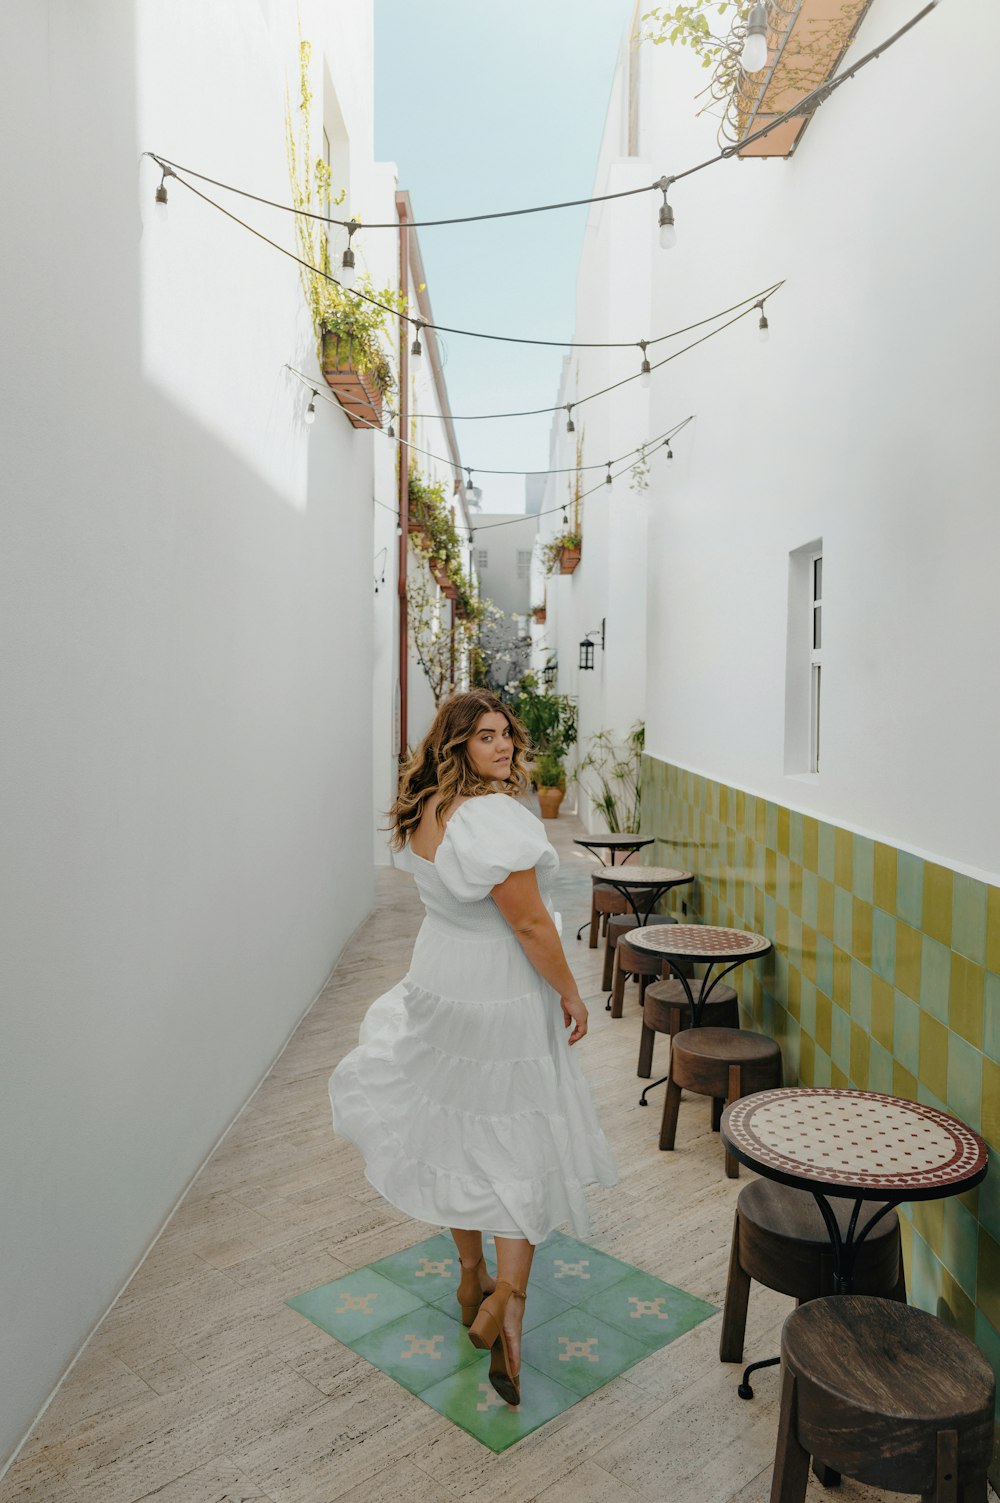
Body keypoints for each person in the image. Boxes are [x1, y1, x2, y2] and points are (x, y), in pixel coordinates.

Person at [328, 690, 619, 1406]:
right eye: (485, 736)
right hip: (495, 992)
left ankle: (470, 1275)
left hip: (439, 977)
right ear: (456, 743)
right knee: (514, 1136)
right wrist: (572, 994)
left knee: (457, 1126)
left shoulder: (423, 807)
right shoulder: (491, 817)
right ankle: (506, 1308)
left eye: (505, 736)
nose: (503, 748)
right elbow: (529, 928)